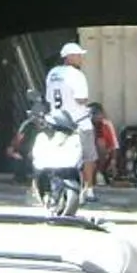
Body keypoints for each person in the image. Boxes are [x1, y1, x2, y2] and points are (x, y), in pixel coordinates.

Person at [42, 39, 97, 187]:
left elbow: (48, 98)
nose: (81, 58)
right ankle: (89, 190)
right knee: (88, 157)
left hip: (57, 122)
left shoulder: (52, 73)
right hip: (78, 122)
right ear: (69, 57)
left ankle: (55, 183)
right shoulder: (77, 75)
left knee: (56, 154)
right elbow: (81, 99)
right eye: (78, 55)